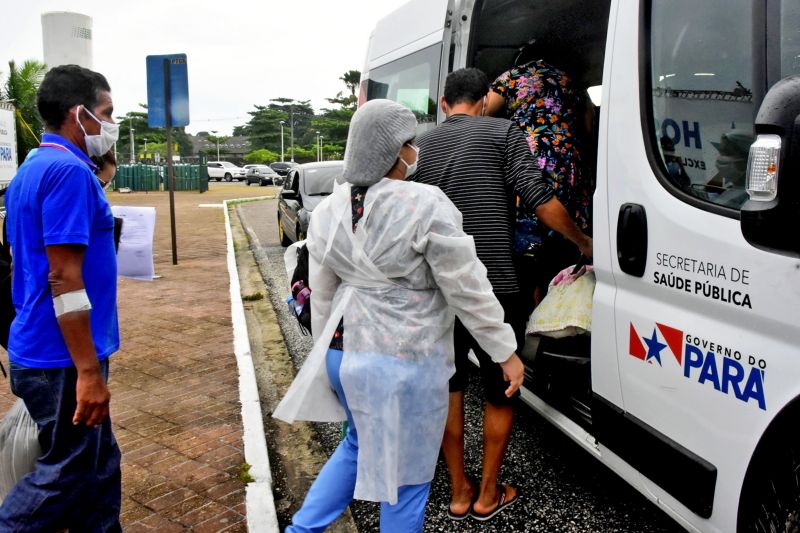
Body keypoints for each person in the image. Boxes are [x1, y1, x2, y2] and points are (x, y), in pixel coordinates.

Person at [273, 99, 526, 532]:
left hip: (343, 355)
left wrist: (327, 356)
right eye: (410, 142)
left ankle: (302, 530)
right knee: (406, 479)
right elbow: (467, 287)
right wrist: (504, 350)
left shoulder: (330, 209)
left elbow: (324, 296)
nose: (414, 151)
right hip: (403, 360)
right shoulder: (425, 204)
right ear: (394, 150)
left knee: (357, 445)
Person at [412, 68, 592, 521]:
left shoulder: (421, 146)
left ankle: (458, 491)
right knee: (501, 390)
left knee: (450, 390)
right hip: (495, 289)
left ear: (442, 102)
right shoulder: (504, 132)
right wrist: (582, 241)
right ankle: (488, 493)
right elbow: (540, 198)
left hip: (435, 293)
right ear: (486, 99)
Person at [0, 64, 122, 532]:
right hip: (63, 359)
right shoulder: (68, 172)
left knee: (98, 467)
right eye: (106, 112)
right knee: (64, 475)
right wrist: (88, 372)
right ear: (80, 114)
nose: (111, 123)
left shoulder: (35, 166)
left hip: (46, 349)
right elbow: (63, 278)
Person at [486, 55, 594, 304]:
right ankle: (554, 305)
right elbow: (588, 125)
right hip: (569, 166)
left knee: (529, 243)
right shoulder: (572, 82)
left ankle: (530, 306)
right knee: (562, 245)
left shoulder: (511, 77)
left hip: (530, 161)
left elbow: (481, 112)